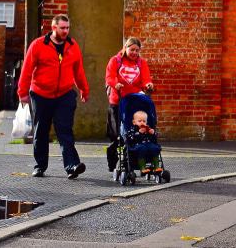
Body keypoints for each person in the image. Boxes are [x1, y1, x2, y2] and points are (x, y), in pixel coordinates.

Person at [17, 14, 89, 179]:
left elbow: (78, 71)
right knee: (41, 131)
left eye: (67, 28)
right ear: (54, 27)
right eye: (62, 28)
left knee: (65, 131)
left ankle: (72, 166)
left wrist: (84, 90)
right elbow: (27, 70)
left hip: (64, 94)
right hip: (40, 95)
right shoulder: (38, 45)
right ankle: (40, 166)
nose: (66, 31)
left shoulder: (73, 46)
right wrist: (22, 93)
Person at [105, 36, 154, 172]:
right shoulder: (115, 60)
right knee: (117, 135)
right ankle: (112, 158)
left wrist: (148, 85)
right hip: (117, 102)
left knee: (133, 133)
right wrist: (116, 84)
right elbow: (109, 77)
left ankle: (129, 162)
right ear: (125, 48)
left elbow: (145, 79)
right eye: (132, 49)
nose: (134, 53)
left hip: (134, 103)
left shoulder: (141, 63)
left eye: (137, 50)